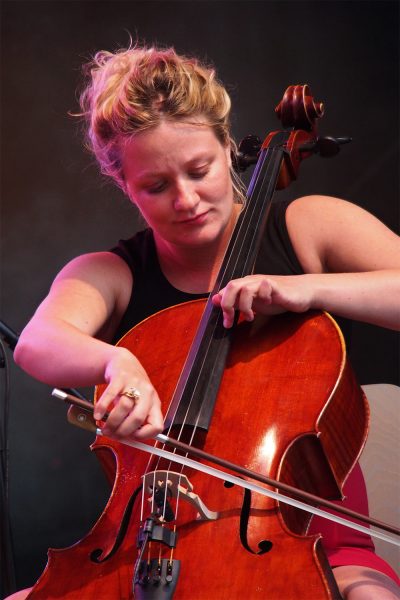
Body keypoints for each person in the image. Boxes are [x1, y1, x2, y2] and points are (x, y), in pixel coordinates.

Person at [10, 45, 400, 599]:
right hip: (148, 548)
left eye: (200, 170)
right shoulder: (113, 272)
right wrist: (116, 359)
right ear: (124, 186)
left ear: (226, 146)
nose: (186, 199)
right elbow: (37, 343)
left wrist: (304, 288)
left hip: (316, 543)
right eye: (156, 186)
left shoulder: (308, 227)